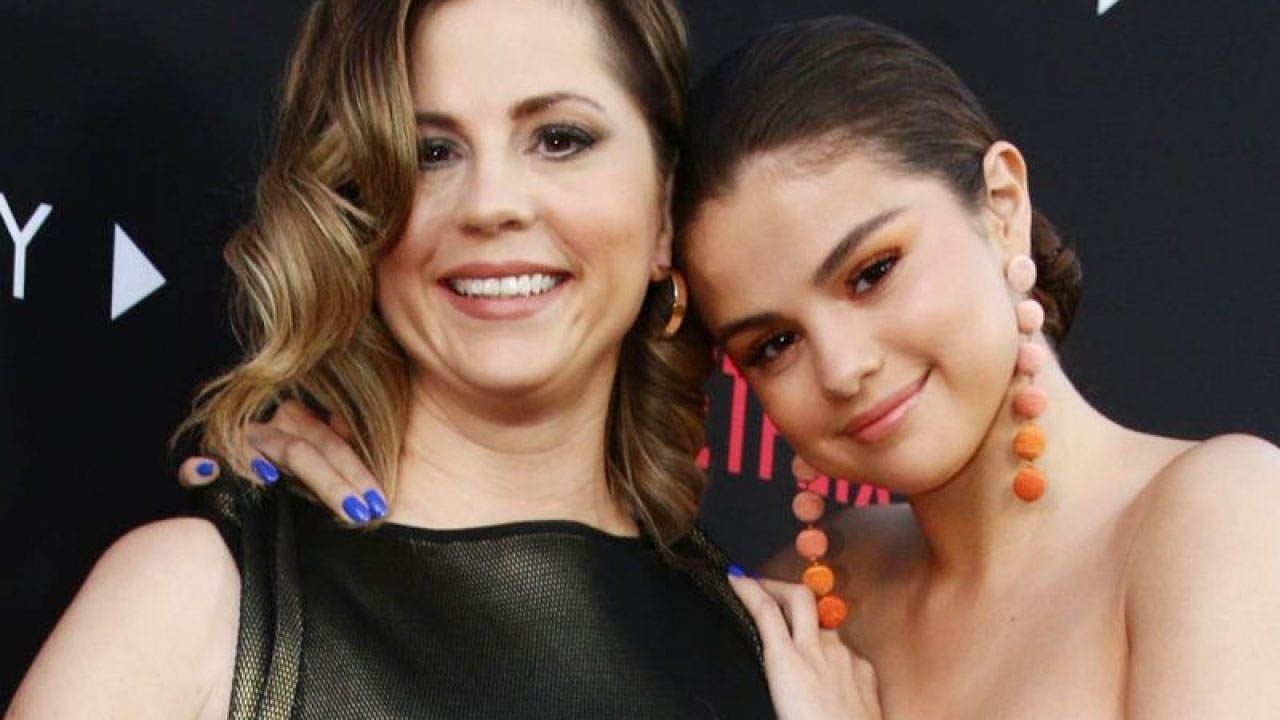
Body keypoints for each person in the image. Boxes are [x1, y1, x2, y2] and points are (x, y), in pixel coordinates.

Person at [195, 14, 1280, 720]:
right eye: (771, 343)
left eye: (871, 272)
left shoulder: (1216, 515)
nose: (843, 367)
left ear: (1000, 205)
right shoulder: (804, 599)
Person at [8, 1, 807, 717]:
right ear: (358, 210)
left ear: (664, 211)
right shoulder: (197, 602)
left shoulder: (775, 656)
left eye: (560, 139)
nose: (491, 203)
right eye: (430, 152)